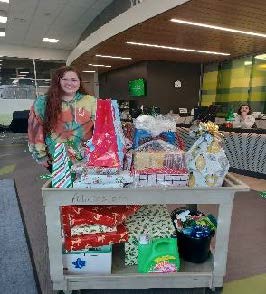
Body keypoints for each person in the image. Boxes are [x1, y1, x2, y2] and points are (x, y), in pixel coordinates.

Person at [28, 65, 96, 172]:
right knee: (63, 188)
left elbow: (99, 128)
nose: (69, 83)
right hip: (57, 158)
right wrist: (40, 155)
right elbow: (35, 130)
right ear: (57, 81)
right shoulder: (43, 102)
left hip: (87, 158)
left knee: (85, 188)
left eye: (74, 80)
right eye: (65, 79)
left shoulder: (91, 101)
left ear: (79, 82)